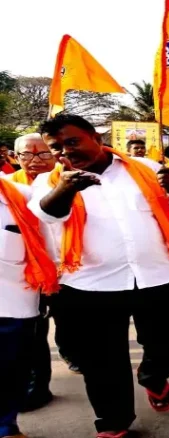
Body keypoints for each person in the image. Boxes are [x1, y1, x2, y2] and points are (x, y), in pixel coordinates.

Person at [29, 114, 169, 437]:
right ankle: (113, 421)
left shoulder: (145, 169)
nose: (66, 152)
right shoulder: (50, 181)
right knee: (101, 360)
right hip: (90, 285)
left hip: (158, 276)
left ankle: (153, 375)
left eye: (73, 141)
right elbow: (47, 215)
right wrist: (65, 188)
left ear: (95, 136)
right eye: (57, 148)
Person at [3, 133, 62, 412]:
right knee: (36, 334)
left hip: (67, 271)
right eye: (27, 154)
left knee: (70, 331)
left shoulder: (66, 184)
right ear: (14, 157)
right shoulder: (10, 188)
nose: (35, 160)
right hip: (25, 278)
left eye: (43, 153)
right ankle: (37, 387)